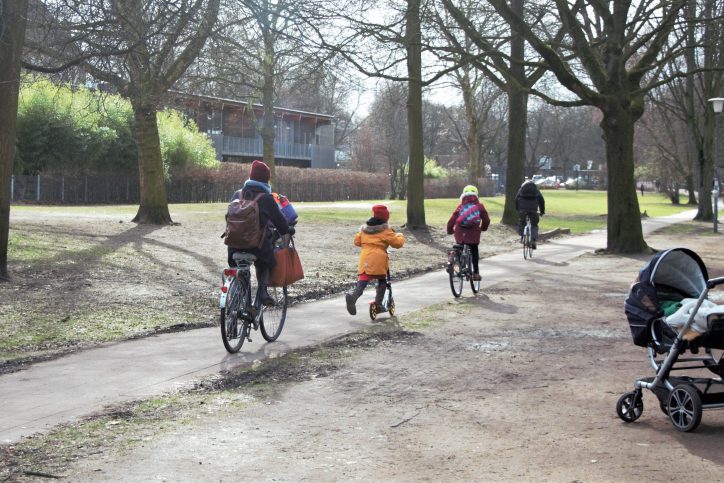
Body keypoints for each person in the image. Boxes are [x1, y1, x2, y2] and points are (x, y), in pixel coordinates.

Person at [227, 160, 294, 306]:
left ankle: (234, 296)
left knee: (236, 267)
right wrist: (288, 229)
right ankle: (263, 293)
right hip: (256, 246)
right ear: (266, 179)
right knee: (266, 262)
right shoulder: (266, 198)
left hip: (233, 246)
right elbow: (281, 224)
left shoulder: (237, 194)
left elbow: (228, 218)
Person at [345, 204, 405, 316]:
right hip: (379, 260)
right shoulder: (386, 230)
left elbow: (357, 241)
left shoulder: (365, 229)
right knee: (382, 281)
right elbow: (397, 244)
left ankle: (353, 298)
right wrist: (400, 235)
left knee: (362, 281)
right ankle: (378, 304)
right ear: (386, 218)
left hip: (365, 259)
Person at [446, 185, 491, 281]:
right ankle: (475, 273)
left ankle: (453, 258)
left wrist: (450, 230)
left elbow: (451, 221)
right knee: (474, 250)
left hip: (460, 232)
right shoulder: (479, 206)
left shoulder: (460, 207)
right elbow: (486, 220)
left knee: (460, 246)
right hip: (473, 233)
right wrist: (483, 228)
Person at [515, 178, 545, 249]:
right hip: (533, 209)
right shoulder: (536, 189)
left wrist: (518, 209)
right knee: (534, 224)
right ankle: (533, 240)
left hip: (523, 209)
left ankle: (523, 237)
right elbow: (541, 201)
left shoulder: (521, 189)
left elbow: (516, 199)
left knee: (522, 222)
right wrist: (542, 211)